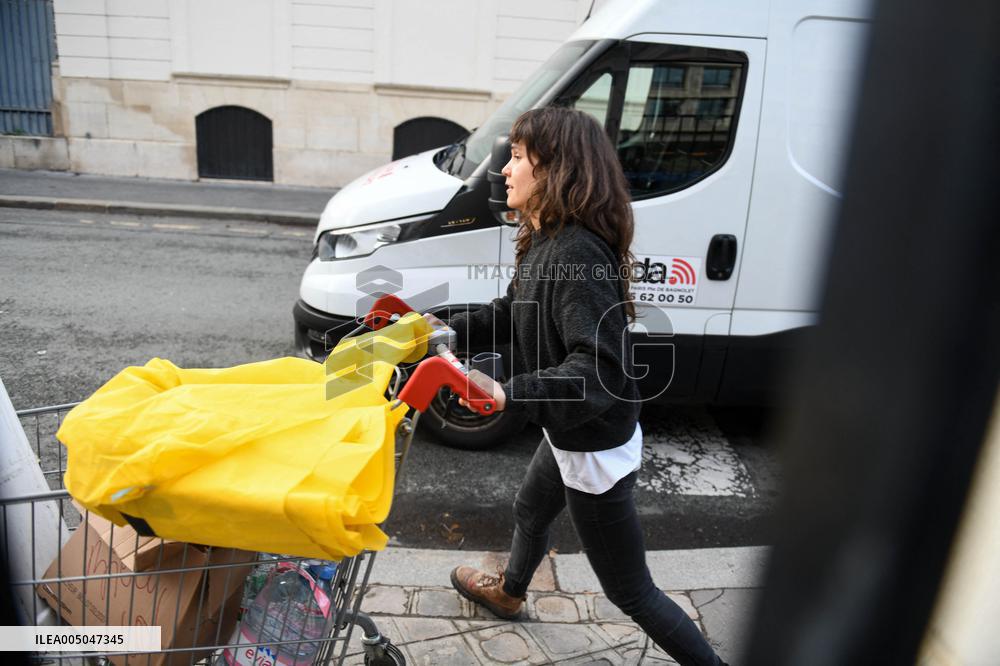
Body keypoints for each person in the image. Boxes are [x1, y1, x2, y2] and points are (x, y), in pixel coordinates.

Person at [426, 107, 728, 666]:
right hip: (567, 430)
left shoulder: (577, 255)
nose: (506, 170)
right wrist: (440, 328)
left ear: (555, 168)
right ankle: (511, 594)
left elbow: (601, 370)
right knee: (530, 510)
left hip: (592, 445)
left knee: (630, 590)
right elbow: (510, 311)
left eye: (518, 157)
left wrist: (510, 394)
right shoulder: (546, 241)